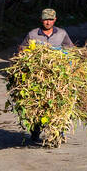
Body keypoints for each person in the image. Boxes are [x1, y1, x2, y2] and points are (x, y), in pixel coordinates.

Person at [18, 8, 74, 143]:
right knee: (37, 103)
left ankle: (58, 132)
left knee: (58, 104)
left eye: (50, 19)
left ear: (55, 20)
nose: (48, 22)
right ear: (41, 20)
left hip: (58, 76)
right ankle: (35, 130)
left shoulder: (62, 33)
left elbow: (70, 49)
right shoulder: (32, 34)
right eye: (45, 19)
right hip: (37, 76)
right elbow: (22, 50)